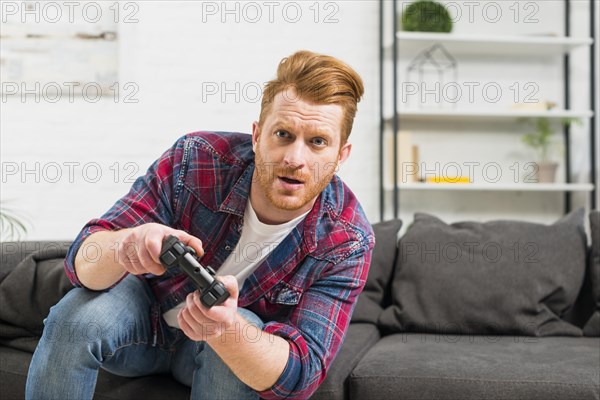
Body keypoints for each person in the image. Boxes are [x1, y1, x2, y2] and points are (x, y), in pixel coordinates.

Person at [25, 50, 375, 400]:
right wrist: (126, 243)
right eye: (283, 134)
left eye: (317, 142)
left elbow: (302, 374)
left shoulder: (348, 240)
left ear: (340, 155)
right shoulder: (195, 158)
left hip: (221, 358)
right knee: (76, 316)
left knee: (246, 329)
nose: (295, 159)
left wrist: (227, 331)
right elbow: (81, 263)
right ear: (256, 136)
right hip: (144, 326)